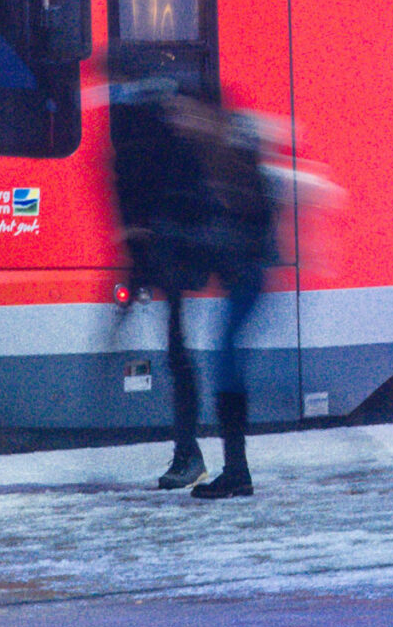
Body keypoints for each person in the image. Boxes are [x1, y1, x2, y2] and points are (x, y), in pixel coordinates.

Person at [107, 55, 215, 490]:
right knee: (178, 355)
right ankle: (189, 454)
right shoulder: (156, 113)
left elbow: (143, 188)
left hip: (167, 250)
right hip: (167, 250)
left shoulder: (140, 120)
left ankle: (191, 456)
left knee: (179, 355)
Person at [175, 86, 276, 499]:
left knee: (226, 362)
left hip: (248, 271)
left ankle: (237, 471)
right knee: (225, 361)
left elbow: (250, 211)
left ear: (205, 112)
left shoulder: (230, 149)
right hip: (240, 270)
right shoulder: (210, 149)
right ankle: (237, 470)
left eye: (187, 114)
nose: (182, 123)